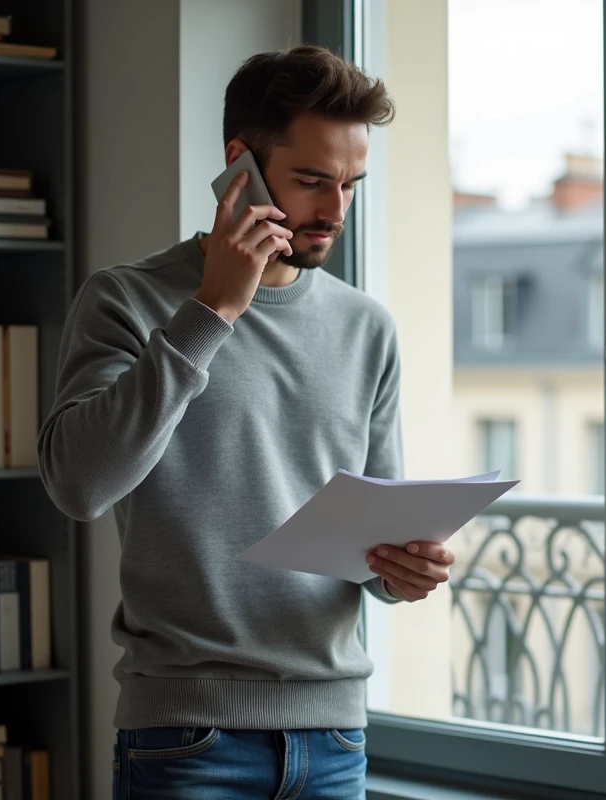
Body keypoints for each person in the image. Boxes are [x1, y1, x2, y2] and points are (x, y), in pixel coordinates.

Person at [37, 45, 450, 799]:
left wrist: (404, 574)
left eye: (352, 185)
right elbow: (80, 486)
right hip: (186, 739)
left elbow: (375, 536)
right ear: (241, 163)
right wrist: (214, 310)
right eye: (313, 181)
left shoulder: (367, 328)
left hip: (335, 738)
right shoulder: (126, 301)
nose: (334, 212)